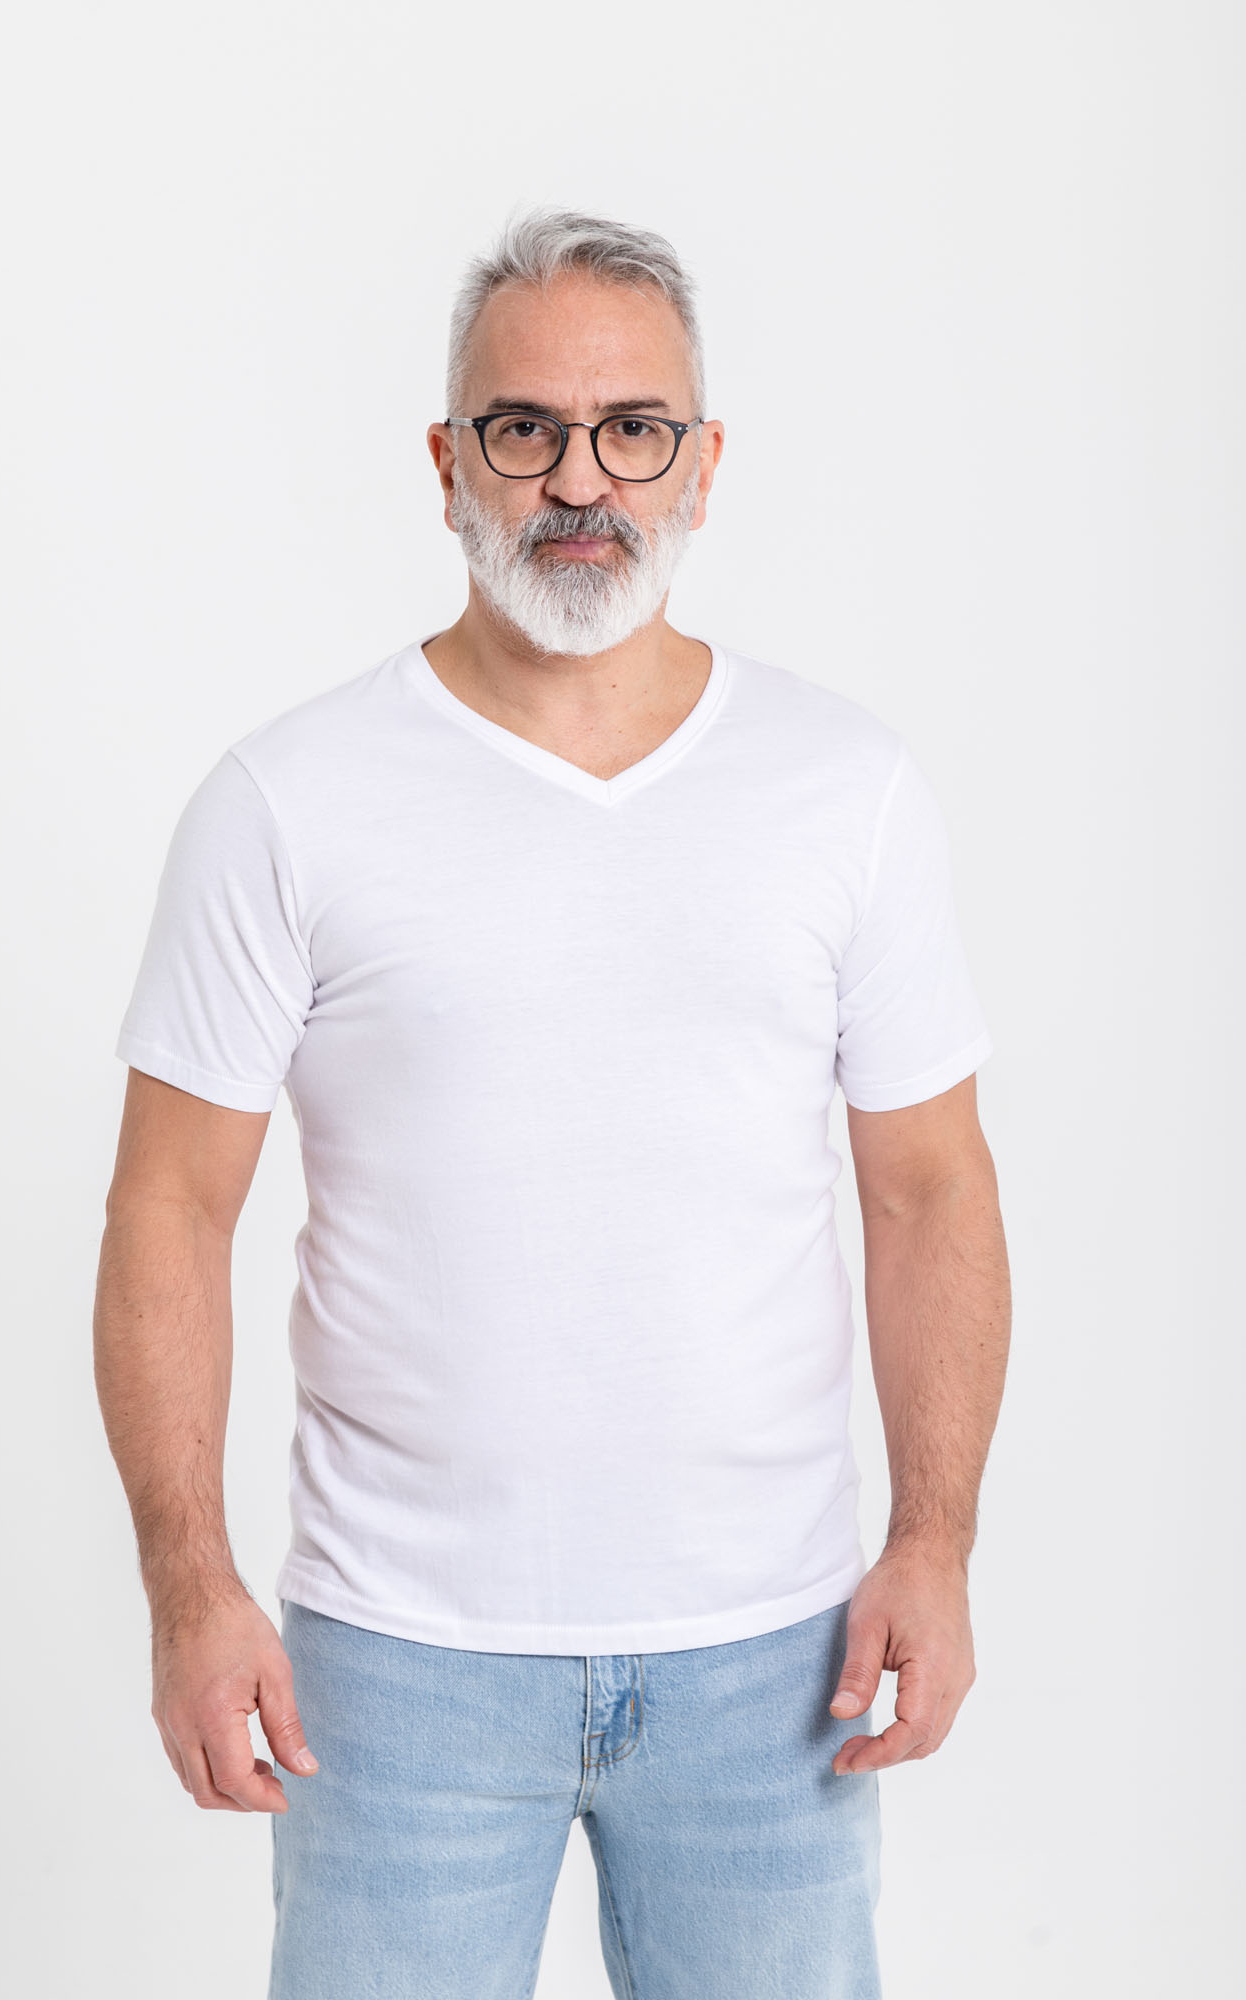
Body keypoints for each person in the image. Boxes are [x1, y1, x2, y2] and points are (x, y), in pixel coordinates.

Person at [94, 206, 1011, 1999]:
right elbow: (166, 1209)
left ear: (704, 462)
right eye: (523, 429)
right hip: (394, 1666)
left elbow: (931, 1191)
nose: (579, 479)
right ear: (448, 464)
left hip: (778, 1660)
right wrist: (190, 1590)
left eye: (631, 429)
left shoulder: (847, 790)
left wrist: (933, 1542)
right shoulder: (289, 800)